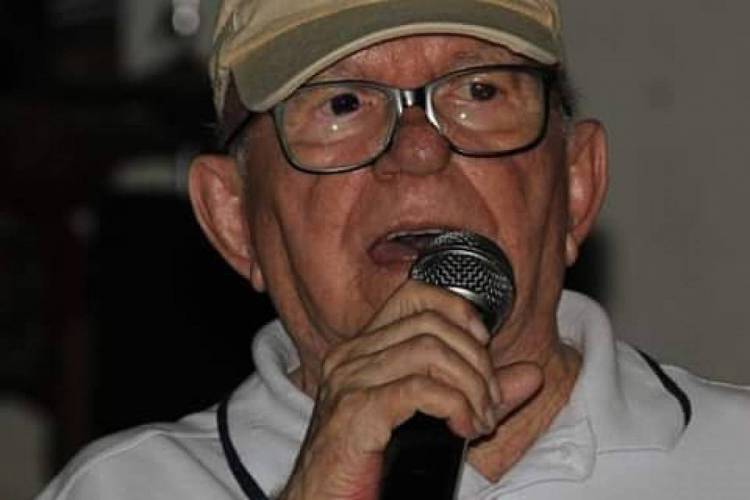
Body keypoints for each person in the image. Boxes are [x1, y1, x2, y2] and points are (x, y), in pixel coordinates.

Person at [38, 0, 750, 499]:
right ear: (233, 218)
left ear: (576, 184)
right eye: (342, 103)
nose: (417, 150)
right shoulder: (121, 489)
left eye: (478, 90)